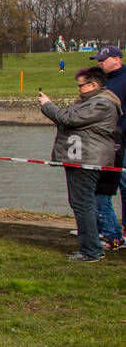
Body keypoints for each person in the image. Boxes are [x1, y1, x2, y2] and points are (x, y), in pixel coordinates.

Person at [40, 67, 120, 261]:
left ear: (93, 85)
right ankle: (91, 247)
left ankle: (91, 250)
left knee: (82, 203)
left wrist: (47, 105)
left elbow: (69, 118)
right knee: (82, 202)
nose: (79, 90)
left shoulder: (101, 103)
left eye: (81, 86)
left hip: (87, 160)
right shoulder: (91, 102)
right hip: (80, 158)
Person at [94, 46, 126, 224]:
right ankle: (100, 227)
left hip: (122, 140)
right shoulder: (101, 80)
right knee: (101, 185)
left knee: (125, 185)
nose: (100, 63)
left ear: (117, 59)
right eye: (98, 60)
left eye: (103, 60)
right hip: (103, 140)